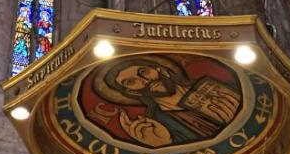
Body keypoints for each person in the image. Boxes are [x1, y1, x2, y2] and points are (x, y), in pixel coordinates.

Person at [101, 57, 241, 147]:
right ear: (132, 92)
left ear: (162, 70)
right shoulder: (157, 123)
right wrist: (164, 144)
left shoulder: (213, 85)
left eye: (143, 72)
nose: (144, 80)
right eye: (131, 82)